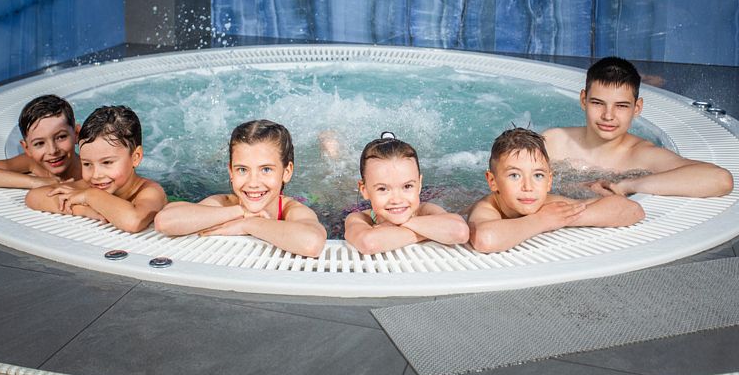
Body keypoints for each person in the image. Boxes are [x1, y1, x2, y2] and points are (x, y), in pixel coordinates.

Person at [542, 57, 733, 198]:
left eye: (621, 106)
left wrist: (627, 185)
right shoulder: (555, 141)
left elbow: (720, 179)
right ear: (584, 100)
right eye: (598, 103)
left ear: (637, 108)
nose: (608, 116)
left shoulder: (643, 156)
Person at [154, 119, 327, 258]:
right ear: (231, 172)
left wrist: (248, 224)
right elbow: (165, 222)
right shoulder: (224, 203)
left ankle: (328, 149)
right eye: (242, 170)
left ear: (286, 172)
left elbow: (311, 243)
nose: (253, 183)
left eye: (266, 169)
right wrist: (241, 211)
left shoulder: (291, 210)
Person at [468, 128, 644, 253]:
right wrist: (542, 220)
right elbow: (485, 239)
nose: (528, 187)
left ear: (549, 181)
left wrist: (563, 217)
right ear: (492, 181)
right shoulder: (487, 208)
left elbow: (632, 210)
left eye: (538, 176)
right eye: (514, 175)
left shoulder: (548, 203)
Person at [25, 106, 166, 233]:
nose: (96, 175)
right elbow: (34, 197)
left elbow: (133, 221)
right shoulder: (93, 184)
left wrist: (89, 196)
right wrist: (83, 209)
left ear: (135, 157)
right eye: (87, 164)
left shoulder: (150, 191)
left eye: (107, 162)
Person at [344, 132, 469, 255]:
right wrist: (431, 232)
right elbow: (369, 244)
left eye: (407, 186)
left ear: (419, 185)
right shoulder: (359, 218)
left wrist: (397, 225)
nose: (397, 200)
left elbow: (460, 232)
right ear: (364, 190)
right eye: (382, 189)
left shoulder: (425, 210)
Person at [0, 94, 82, 189]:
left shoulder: (88, 169)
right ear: (27, 148)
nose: (52, 150)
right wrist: (35, 182)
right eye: (39, 143)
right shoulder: (34, 164)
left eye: (61, 137)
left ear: (77, 134)